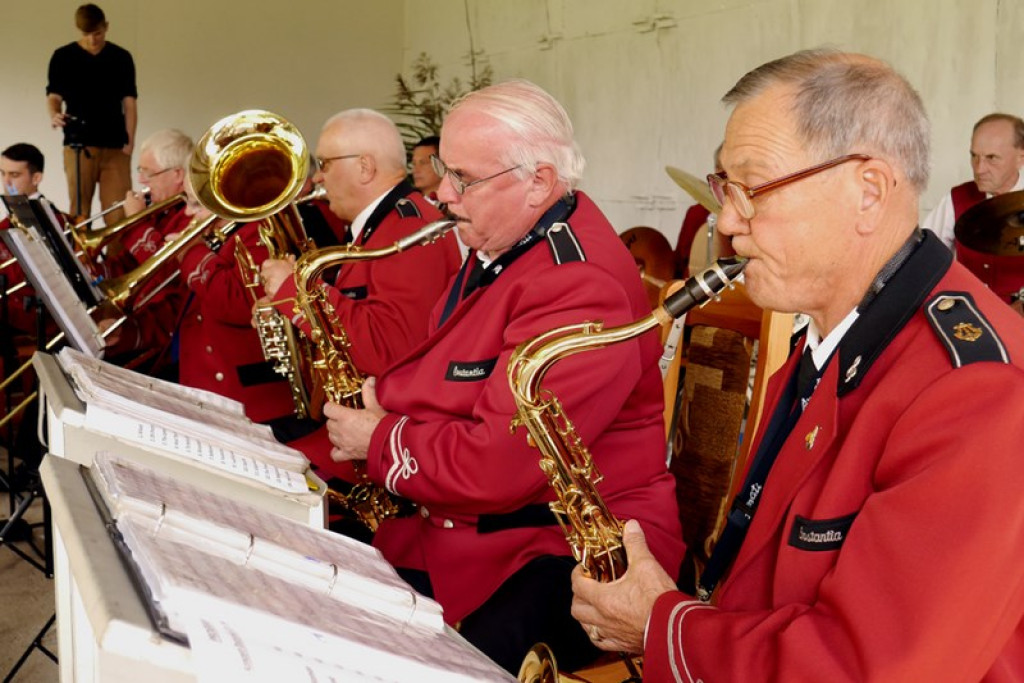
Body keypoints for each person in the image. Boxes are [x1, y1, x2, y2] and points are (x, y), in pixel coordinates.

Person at [571, 49, 1024, 682]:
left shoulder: (977, 390)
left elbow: (869, 670)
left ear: (868, 191)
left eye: (753, 189)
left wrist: (663, 626)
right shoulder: (824, 337)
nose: (727, 221)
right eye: (727, 187)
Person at [322, 80, 685, 674]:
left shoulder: (576, 283)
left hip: (561, 555)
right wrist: (382, 396)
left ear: (538, 181)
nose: (441, 193)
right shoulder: (509, 243)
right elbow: (453, 372)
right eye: (444, 170)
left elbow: (501, 466)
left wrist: (380, 437)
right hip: (478, 529)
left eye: (463, 178)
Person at [259, 109, 461, 482]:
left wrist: (295, 292)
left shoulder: (409, 231)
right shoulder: (383, 224)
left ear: (365, 167)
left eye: (325, 163)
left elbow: (391, 350)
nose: (318, 176)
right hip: (351, 430)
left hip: (380, 450)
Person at [172, 186, 296, 424]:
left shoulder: (257, 233)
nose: (187, 212)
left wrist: (191, 254)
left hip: (246, 401)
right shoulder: (214, 235)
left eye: (196, 203)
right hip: (203, 387)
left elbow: (238, 303)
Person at [96, 129, 191, 369]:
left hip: (164, 342)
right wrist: (90, 267)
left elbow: (166, 274)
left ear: (177, 174)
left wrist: (137, 223)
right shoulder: (160, 211)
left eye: (148, 173)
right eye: (140, 171)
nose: (141, 181)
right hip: (140, 324)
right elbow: (129, 264)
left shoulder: (189, 217)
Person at [922, 113, 1024, 312]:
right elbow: (923, 255)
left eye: (991, 158)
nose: (979, 168)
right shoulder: (958, 198)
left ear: (1021, 158)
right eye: (974, 156)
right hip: (967, 315)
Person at [46, 3, 136, 224]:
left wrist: (130, 142)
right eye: (86, 34)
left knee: (118, 213)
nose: (92, 39)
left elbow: (130, 104)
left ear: (106, 27)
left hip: (116, 145)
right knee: (80, 213)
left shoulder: (121, 57)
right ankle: (81, 258)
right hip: (79, 145)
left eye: (97, 33)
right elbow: (53, 97)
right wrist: (55, 114)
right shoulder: (63, 56)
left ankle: (116, 259)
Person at [410, 135, 442, 201]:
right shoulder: (408, 204)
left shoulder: (457, 205)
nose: (415, 170)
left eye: (423, 162)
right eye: (414, 164)